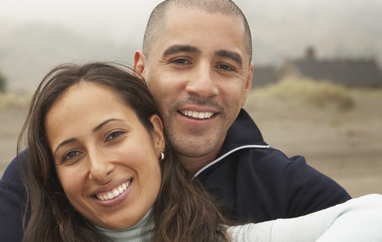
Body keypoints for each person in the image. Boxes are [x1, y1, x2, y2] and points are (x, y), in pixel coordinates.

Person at [0, 0, 351, 241]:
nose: (203, 85)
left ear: (247, 82)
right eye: (181, 60)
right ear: (141, 69)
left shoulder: (285, 187)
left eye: (225, 66)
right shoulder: (48, 171)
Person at [20, 62, 382, 242]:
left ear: (156, 135)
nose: (98, 168)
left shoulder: (224, 237)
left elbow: (373, 213)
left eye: (113, 135)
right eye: (70, 155)